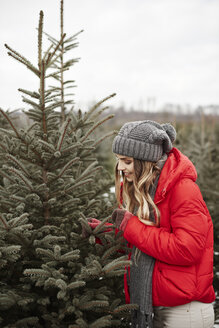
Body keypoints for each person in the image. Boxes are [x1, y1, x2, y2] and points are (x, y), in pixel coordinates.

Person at [88, 120, 215, 328]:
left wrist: (131, 227)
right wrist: (106, 233)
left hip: (184, 312)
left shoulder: (183, 189)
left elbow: (186, 249)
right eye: (119, 160)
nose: (120, 167)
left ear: (145, 161)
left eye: (127, 161)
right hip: (157, 308)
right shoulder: (145, 189)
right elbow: (147, 243)